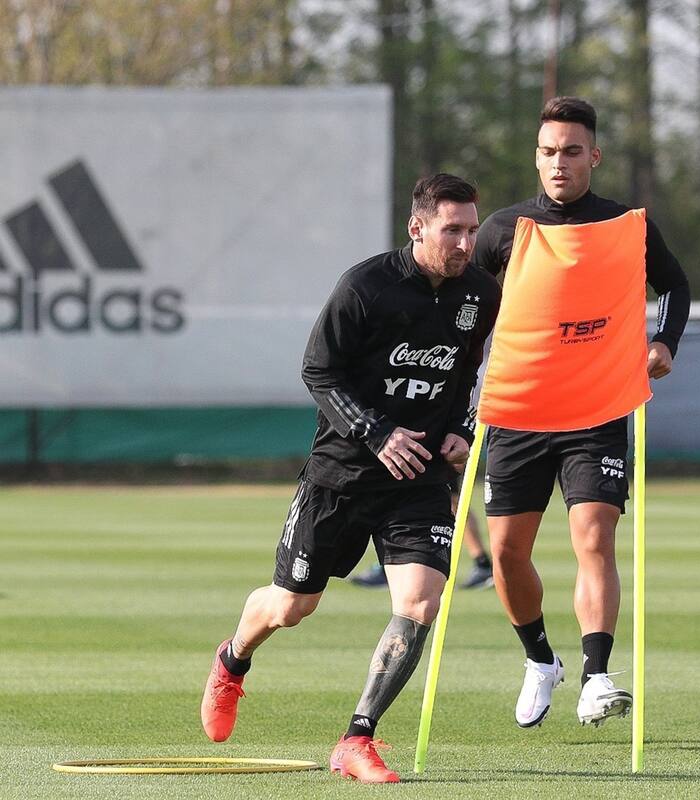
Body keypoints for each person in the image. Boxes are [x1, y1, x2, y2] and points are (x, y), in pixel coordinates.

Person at [200, 174, 500, 783]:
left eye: (472, 229)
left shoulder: (481, 295)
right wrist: (378, 433)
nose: (466, 242)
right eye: (453, 230)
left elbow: (478, 376)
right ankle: (232, 661)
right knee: (291, 606)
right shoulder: (366, 286)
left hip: (417, 481)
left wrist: (464, 429)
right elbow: (318, 370)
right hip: (340, 475)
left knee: (420, 603)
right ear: (417, 227)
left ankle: (357, 738)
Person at [472, 97, 690, 728]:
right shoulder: (503, 230)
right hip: (518, 410)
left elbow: (674, 284)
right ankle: (541, 661)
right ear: (536, 158)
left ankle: (597, 676)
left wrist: (663, 341)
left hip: (596, 408)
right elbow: (470, 306)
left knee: (594, 537)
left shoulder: (626, 224)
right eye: (548, 152)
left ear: (593, 156)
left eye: (572, 151)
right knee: (509, 553)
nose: (559, 163)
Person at [350, 484, 493, 589]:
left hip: (434, 449)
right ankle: (390, 563)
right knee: (398, 495)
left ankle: (482, 563)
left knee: (450, 499)